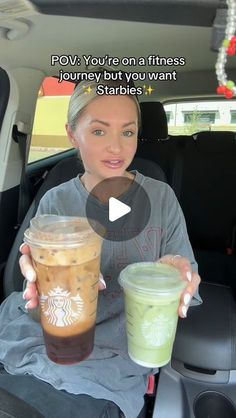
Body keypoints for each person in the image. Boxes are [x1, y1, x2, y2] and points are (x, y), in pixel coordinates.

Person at [0, 76, 201, 418]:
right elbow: (35, 291)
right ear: (71, 134)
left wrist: (177, 274)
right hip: (36, 342)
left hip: (109, 363)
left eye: (128, 131)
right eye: (98, 131)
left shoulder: (160, 197)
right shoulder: (56, 199)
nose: (117, 147)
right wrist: (37, 279)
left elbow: (185, 279)